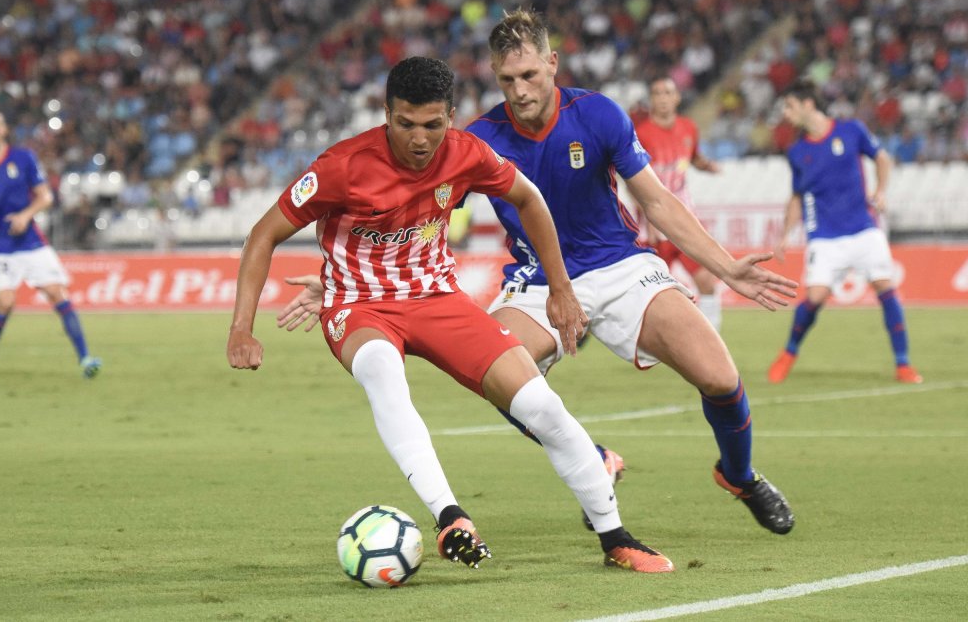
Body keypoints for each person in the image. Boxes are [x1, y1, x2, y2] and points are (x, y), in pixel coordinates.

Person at [279, 11, 797, 536]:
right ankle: (594, 459)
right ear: (493, 76)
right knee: (503, 378)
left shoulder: (597, 114)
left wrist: (726, 267)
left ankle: (740, 475)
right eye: (507, 80)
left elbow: (657, 203)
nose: (520, 90)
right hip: (536, 282)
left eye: (529, 75)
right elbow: (411, 216)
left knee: (720, 378)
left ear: (553, 63)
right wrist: (343, 283)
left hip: (619, 267)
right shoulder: (477, 139)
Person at [228, 56, 674, 573]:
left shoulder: (466, 154)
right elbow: (264, 234)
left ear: (451, 117)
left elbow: (530, 200)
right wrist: (242, 327)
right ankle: (450, 517)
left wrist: (559, 288)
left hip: (438, 300)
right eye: (406, 124)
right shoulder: (342, 166)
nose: (419, 139)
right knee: (383, 371)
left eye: (433, 125)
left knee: (542, 406)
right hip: (359, 306)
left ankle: (616, 537)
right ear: (386, 114)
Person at [767, 79, 922, 385]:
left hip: (864, 228)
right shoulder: (797, 151)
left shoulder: (851, 130)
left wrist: (881, 190)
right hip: (825, 235)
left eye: (790, 106)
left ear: (808, 104)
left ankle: (903, 365)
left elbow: (881, 158)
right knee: (815, 297)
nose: (786, 113)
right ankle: (788, 353)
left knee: (885, 288)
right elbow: (797, 196)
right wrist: (786, 233)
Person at [0, 107, 101, 381]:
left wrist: (26, 215)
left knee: (58, 293)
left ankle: (86, 359)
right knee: (5, 302)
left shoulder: (23, 159)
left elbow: (45, 196)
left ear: (4, 130)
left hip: (31, 242)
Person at [634, 77, 724, 330]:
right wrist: (648, 215)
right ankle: (648, 340)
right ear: (652, 100)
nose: (663, 98)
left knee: (706, 280)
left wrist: (707, 166)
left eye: (668, 92)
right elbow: (634, 180)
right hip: (653, 226)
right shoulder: (641, 134)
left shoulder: (688, 128)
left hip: (684, 221)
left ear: (677, 98)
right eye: (657, 93)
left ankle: (712, 336)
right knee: (649, 293)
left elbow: (693, 157)